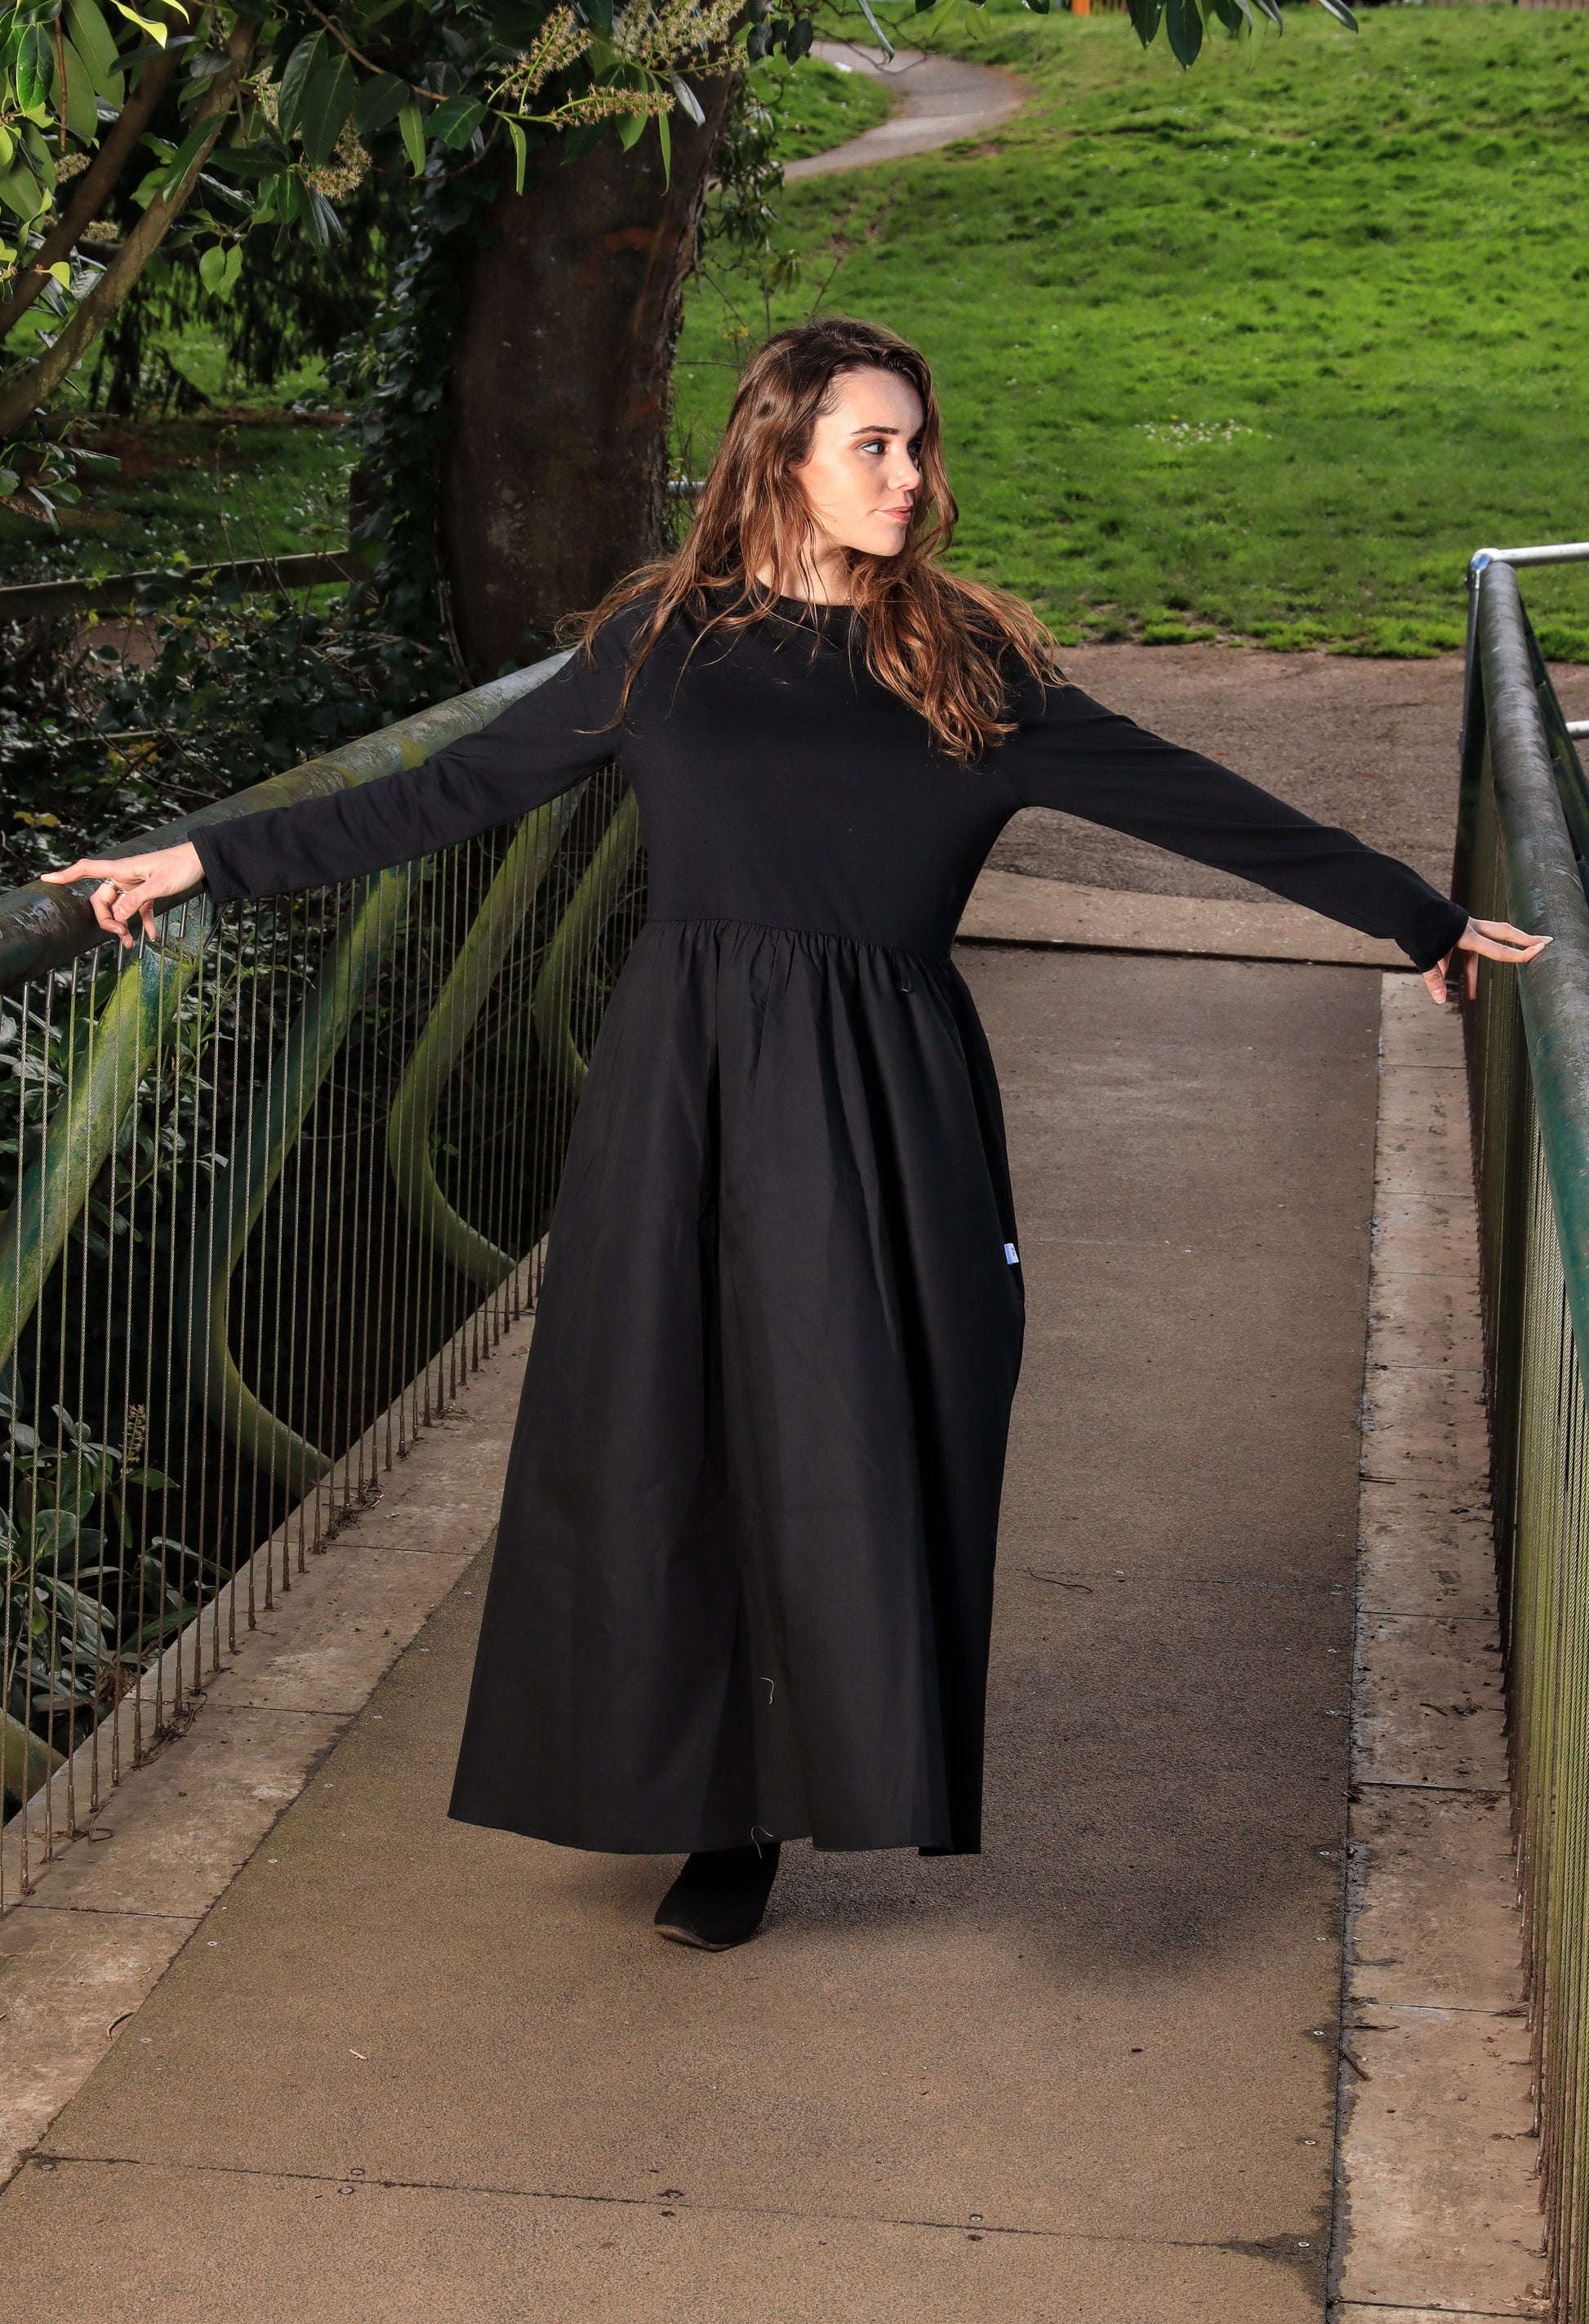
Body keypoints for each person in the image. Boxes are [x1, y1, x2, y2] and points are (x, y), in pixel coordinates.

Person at [44, 317, 1546, 1953]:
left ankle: (803, 1780)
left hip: (885, 1104)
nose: (909, 477)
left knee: (846, 1442)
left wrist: (1417, 917)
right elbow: (446, 792)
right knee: (668, 1433)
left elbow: (1199, 801)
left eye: (916, 445)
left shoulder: (969, 666)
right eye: (871, 446)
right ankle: (718, 1810)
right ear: (781, 454)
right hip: (678, 1091)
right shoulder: (660, 646)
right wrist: (207, 857)